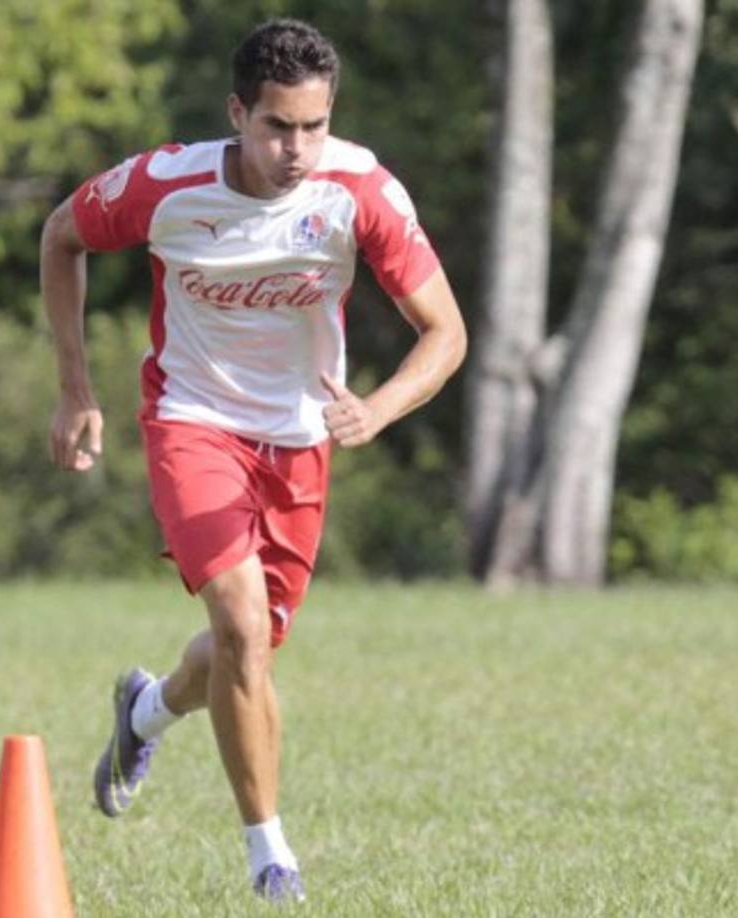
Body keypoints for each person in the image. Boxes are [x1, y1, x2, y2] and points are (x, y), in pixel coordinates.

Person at [39, 18, 466, 904]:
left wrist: (378, 409)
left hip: (301, 439)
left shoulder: (360, 189)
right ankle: (270, 857)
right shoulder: (168, 184)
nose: (297, 149)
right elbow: (60, 237)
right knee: (238, 624)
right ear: (237, 112)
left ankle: (148, 708)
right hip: (191, 420)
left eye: (313, 126)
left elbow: (445, 332)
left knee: (249, 652)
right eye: (277, 126)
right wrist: (76, 389)